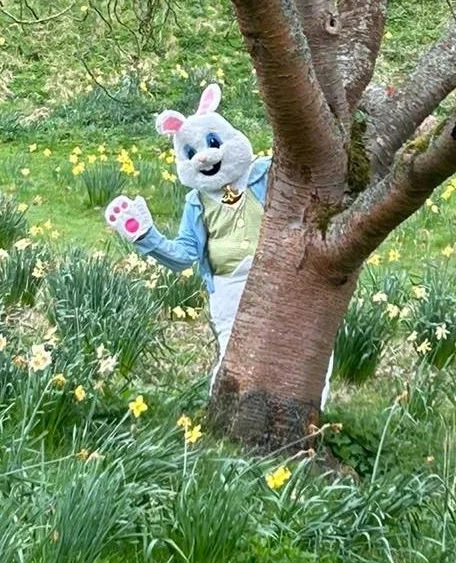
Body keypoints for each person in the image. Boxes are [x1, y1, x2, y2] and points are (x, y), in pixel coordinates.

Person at [104, 83, 334, 408]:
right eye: (190, 152)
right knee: (233, 351)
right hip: (228, 285)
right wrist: (147, 236)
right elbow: (184, 257)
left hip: (278, 275)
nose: (204, 156)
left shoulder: (266, 173)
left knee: (300, 344)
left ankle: (309, 413)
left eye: (212, 143)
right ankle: (224, 419)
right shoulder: (196, 202)